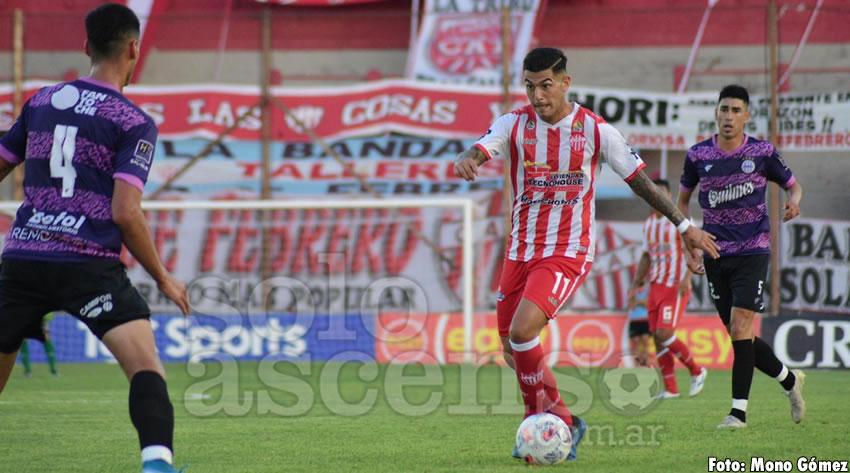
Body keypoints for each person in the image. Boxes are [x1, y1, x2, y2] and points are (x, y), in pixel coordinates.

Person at [454, 47, 720, 461]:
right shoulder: (515, 123)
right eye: (529, 86)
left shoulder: (596, 131)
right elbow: (481, 148)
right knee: (511, 349)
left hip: (567, 251)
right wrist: (467, 158)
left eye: (545, 85)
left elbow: (641, 182)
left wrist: (685, 227)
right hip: (520, 251)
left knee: (524, 334)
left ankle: (535, 420)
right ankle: (565, 417)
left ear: (565, 83)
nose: (537, 96)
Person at [0, 4, 190, 472]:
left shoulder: (41, 101)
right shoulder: (133, 121)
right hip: (88, 264)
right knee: (145, 368)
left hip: (24, 258)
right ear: (133, 49)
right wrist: (164, 277)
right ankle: (157, 464)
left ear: (85, 46)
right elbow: (125, 213)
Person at [677, 84, 805, 429]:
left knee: (740, 325)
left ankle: (737, 413)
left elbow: (793, 184)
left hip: (753, 249)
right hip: (714, 252)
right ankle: (790, 381)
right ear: (716, 113)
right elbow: (682, 203)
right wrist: (690, 245)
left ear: (747, 116)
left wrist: (794, 200)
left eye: (735, 110)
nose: (728, 116)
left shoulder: (762, 152)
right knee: (739, 333)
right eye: (723, 109)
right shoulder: (698, 155)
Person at [629, 179, 707, 399]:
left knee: (665, 333)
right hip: (656, 285)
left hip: (675, 285)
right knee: (656, 336)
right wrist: (636, 284)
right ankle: (671, 388)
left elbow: (694, 249)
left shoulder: (679, 221)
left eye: (661, 193)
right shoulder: (649, 224)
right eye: (653, 193)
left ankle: (697, 370)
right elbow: (646, 256)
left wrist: (687, 277)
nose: (656, 197)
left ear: (669, 196)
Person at [20, 312, 59, 377]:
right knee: (23, 338)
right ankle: (27, 370)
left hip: (41, 318)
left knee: (47, 338)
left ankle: (53, 369)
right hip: (27, 316)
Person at [626, 283, 651, 367]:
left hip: (645, 319)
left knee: (645, 341)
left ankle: (644, 362)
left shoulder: (648, 291)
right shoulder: (631, 290)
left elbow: (647, 304)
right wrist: (641, 301)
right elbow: (631, 304)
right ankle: (637, 363)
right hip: (634, 320)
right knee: (636, 342)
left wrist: (637, 301)